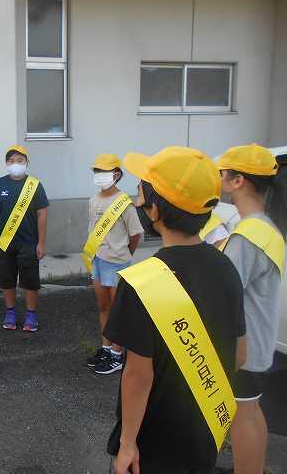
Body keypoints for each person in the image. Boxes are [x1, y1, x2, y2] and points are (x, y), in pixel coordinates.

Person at [104, 146, 246, 474]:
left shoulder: (142, 281)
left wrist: (127, 443)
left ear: (155, 211)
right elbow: (240, 354)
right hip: (204, 432)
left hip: (153, 442)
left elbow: (138, 376)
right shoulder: (226, 267)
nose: (137, 201)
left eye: (141, 194)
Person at [215, 144, 287, 474]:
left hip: (243, 346)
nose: (218, 179)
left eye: (222, 173)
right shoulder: (265, 226)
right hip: (259, 341)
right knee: (252, 411)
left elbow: (225, 290)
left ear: (237, 181)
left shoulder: (247, 235)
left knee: (241, 416)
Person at [83, 154, 143, 375]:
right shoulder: (93, 200)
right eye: (96, 171)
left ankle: (117, 354)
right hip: (97, 260)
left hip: (117, 263)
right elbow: (92, 230)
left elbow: (135, 234)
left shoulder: (124, 203)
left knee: (118, 311)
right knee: (103, 307)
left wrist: (125, 254)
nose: (99, 175)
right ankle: (106, 348)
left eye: (104, 171)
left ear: (116, 174)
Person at [0, 145, 49, 332]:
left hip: (29, 242)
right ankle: (10, 312)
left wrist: (41, 243)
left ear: (27, 162)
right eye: (11, 160)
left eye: (20, 160)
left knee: (30, 281)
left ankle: (31, 315)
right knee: (7, 279)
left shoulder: (35, 185)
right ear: (6, 163)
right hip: (5, 242)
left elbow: (42, 214)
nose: (15, 164)